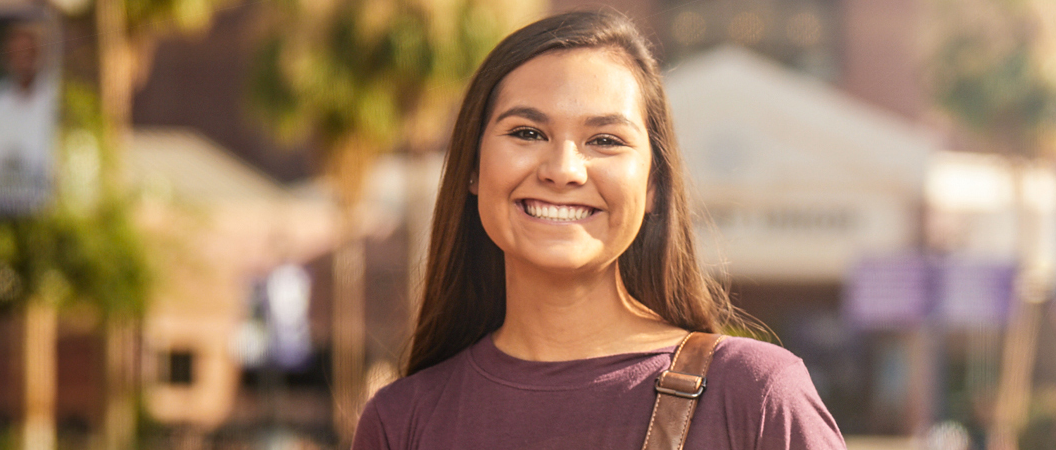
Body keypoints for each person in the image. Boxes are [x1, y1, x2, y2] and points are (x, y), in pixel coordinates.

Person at [352, 11, 843, 449]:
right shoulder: (402, 420)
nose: (564, 169)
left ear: (653, 185)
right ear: (474, 168)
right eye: (527, 132)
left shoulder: (755, 395)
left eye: (605, 140)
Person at [0, 22, 57, 214]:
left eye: (29, 51)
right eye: (17, 52)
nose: (24, 59)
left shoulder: (54, 101)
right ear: (6, 59)